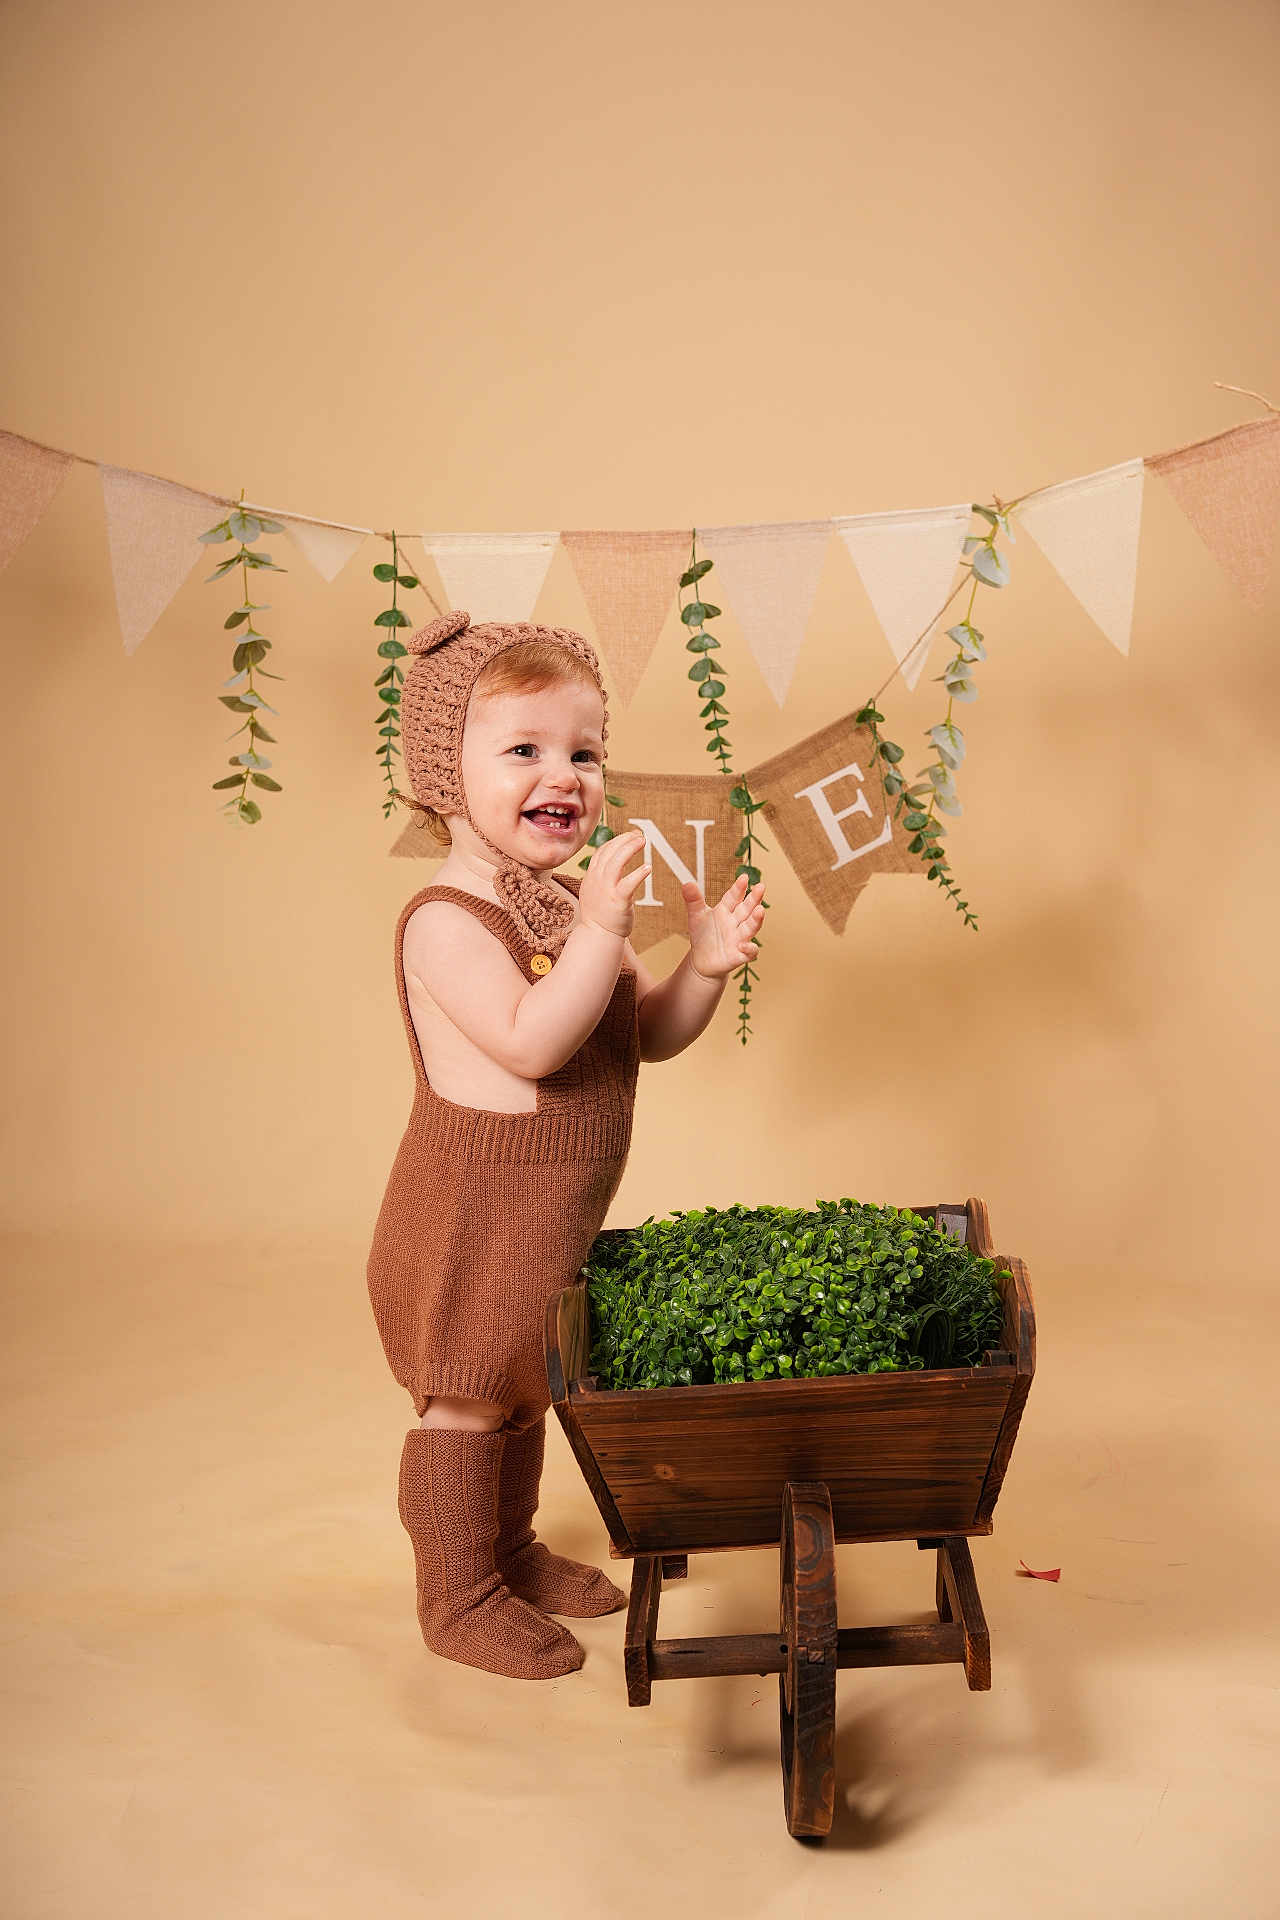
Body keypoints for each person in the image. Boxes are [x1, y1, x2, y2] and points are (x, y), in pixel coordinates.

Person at [366, 608, 766, 1680]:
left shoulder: (560, 904)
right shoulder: (446, 919)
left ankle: (509, 1551)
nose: (566, 775)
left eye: (585, 753)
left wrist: (701, 967)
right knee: (467, 1398)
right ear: (444, 776)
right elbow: (534, 1042)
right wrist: (597, 931)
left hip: (547, 1221)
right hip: (468, 1219)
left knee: (522, 1384)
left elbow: (644, 1036)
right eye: (525, 750)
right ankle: (457, 1592)